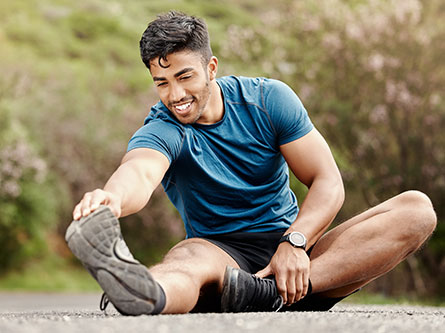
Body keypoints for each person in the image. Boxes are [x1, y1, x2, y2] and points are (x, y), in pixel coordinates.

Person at [65, 11, 437, 315]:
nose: (174, 95)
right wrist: (111, 198)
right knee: (185, 261)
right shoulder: (165, 128)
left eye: (184, 76)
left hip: (304, 259)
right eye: (161, 82)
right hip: (221, 258)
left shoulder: (268, 100)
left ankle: (267, 293)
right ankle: (144, 293)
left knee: (417, 210)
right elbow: (140, 171)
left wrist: (295, 242)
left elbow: (327, 180)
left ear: (211, 68)